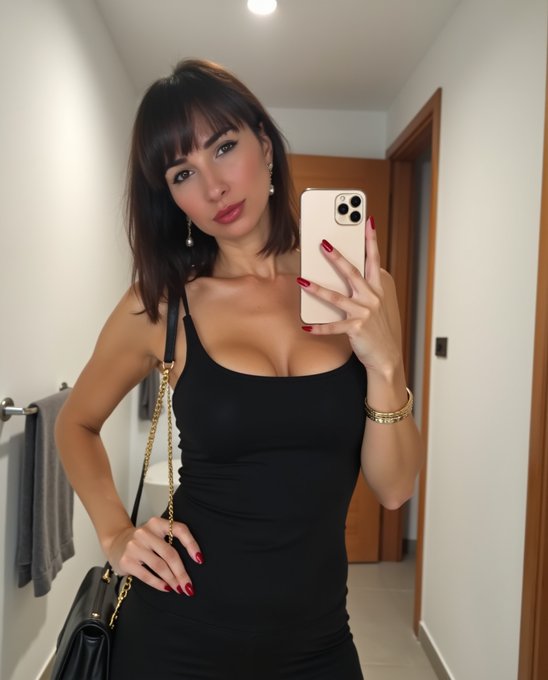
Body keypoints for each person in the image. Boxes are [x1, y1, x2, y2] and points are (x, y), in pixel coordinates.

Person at [55, 58, 424, 680]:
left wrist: (385, 364)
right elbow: (76, 423)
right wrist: (116, 534)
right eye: (183, 173)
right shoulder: (163, 303)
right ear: (170, 197)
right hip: (174, 633)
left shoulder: (365, 288)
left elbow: (395, 489)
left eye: (224, 147)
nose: (214, 187)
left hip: (317, 643)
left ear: (265, 145)